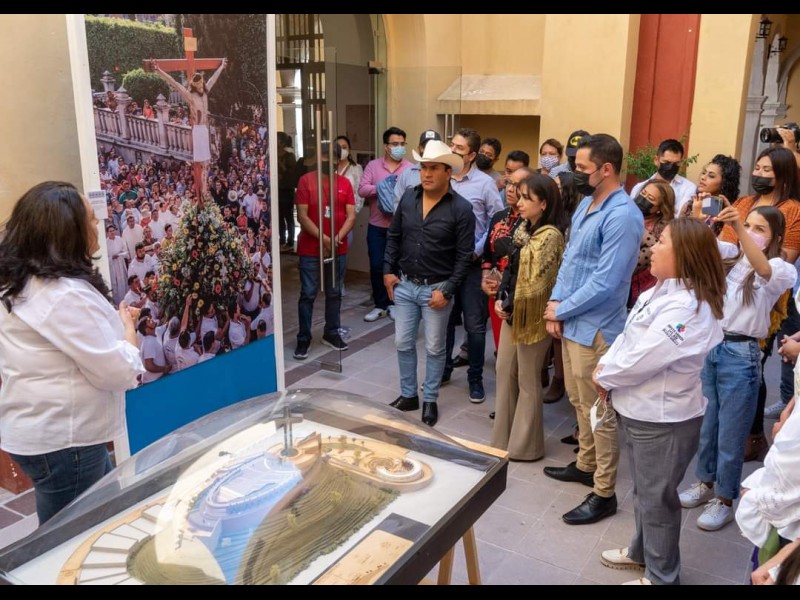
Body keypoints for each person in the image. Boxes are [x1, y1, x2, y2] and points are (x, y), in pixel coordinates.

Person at [0, 182, 144, 524]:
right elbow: (116, 371)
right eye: (91, 219)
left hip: (50, 432)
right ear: (67, 231)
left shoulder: (21, 281)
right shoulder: (61, 295)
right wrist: (128, 329)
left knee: (103, 508)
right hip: (66, 441)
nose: (97, 225)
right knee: (69, 534)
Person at [594, 218, 726, 585]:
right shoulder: (662, 289)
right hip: (640, 410)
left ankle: (662, 577)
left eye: (662, 242)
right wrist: (606, 366)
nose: (652, 248)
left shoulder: (688, 307)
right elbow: (629, 337)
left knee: (657, 501)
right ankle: (642, 553)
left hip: (663, 419)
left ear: (684, 253)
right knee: (645, 492)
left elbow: (647, 357)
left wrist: (605, 376)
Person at [542, 134, 644, 525]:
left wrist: (562, 308)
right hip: (572, 321)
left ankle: (604, 493)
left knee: (600, 412)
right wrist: (556, 306)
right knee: (578, 400)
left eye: (582, 169)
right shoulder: (587, 203)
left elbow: (606, 281)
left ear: (606, 169)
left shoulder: (623, 215)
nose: (575, 174)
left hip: (597, 327)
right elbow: (570, 262)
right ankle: (585, 464)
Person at [679, 206, 796, 531]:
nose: (751, 232)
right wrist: (700, 216)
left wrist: (740, 231)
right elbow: (703, 244)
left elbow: (764, 268)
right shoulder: (734, 256)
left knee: (731, 433)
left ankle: (725, 499)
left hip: (742, 353)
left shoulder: (780, 268)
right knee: (709, 425)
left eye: (760, 228)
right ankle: (704, 482)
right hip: (714, 346)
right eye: (748, 224)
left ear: (776, 237)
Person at [384, 140, 475, 427]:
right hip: (405, 285)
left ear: (448, 172)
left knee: (435, 348)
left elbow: (464, 256)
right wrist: (387, 271)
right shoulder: (409, 198)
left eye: (434, 168)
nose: (426, 173)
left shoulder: (461, 208)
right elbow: (394, 236)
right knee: (402, 342)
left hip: (437, 288)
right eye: (424, 167)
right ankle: (409, 395)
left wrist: (447, 290)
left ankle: (430, 399)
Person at [491, 173, 567, 460]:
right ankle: (501, 439)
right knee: (504, 371)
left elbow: (538, 281)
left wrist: (510, 303)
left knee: (527, 379)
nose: (519, 202)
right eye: (519, 196)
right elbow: (511, 269)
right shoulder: (523, 229)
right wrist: (501, 299)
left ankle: (526, 447)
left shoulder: (551, 237)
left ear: (543, 204)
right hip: (513, 314)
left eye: (526, 198)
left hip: (534, 318)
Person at [444, 128, 504, 403]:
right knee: (443, 321)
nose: (453, 150)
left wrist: (477, 250)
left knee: (474, 325)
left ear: (471, 155)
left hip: (472, 264)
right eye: (452, 145)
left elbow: (496, 221)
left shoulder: (484, 184)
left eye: (459, 148)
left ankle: (475, 379)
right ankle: (443, 370)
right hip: (444, 263)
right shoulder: (443, 177)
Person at [293, 142, 356, 359]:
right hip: (310, 248)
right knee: (308, 294)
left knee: (334, 293)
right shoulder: (305, 181)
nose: (329, 161)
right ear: (317, 158)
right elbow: (302, 216)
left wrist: (336, 239)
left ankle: (331, 333)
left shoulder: (345, 183)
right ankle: (304, 338)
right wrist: (325, 239)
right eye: (325, 156)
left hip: (338, 247)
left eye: (333, 158)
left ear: (338, 160)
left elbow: (351, 216)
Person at [152, 58, 228, 198]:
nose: (201, 86)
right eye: (198, 85)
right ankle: (202, 191)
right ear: (194, 85)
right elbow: (175, 84)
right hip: (198, 130)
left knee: (207, 163)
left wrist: (221, 67)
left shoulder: (205, 92)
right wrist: (159, 71)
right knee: (200, 163)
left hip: (204, 128)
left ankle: (205, 189)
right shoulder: (190, 96)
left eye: (201, 84)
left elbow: (213, 78)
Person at [359, 127, 413, 323]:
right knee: (376, 265)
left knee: (398, 266)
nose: (399, 147)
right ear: (386, 146)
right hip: (377, 226)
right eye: (395, 144)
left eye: (402, 144)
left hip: (401, 228)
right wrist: (382, 188)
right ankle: (380, 305)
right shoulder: (373, 166)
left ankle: (394, 304)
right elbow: (362, 190)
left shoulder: (410, 168)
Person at [628, 181, 675, 307]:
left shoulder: (662, 231)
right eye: (643, 193)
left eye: (651, 199)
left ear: (660, 208)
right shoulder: (626, 213)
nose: (643, 199)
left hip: (637, 290)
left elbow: (632, 265)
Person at [629, 139, 697, 215]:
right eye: (666, 162)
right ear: (656, 160)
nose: (671, 167)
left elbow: (682, 218)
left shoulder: (688, 188)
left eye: (676, 163)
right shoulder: (639, 188)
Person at [105, 224, 129, 306]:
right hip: (113, 267)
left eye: (113, 230)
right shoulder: (106, 243)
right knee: (115, 285)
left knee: (123, 283)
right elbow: (105, 258)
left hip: (120, 264)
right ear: (107, 233)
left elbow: (126, 252)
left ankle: (125, 302)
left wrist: (120, 255)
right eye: (110, 231)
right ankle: (118, 304)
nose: (112, 232)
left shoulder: (119, 239)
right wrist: (111, 258)